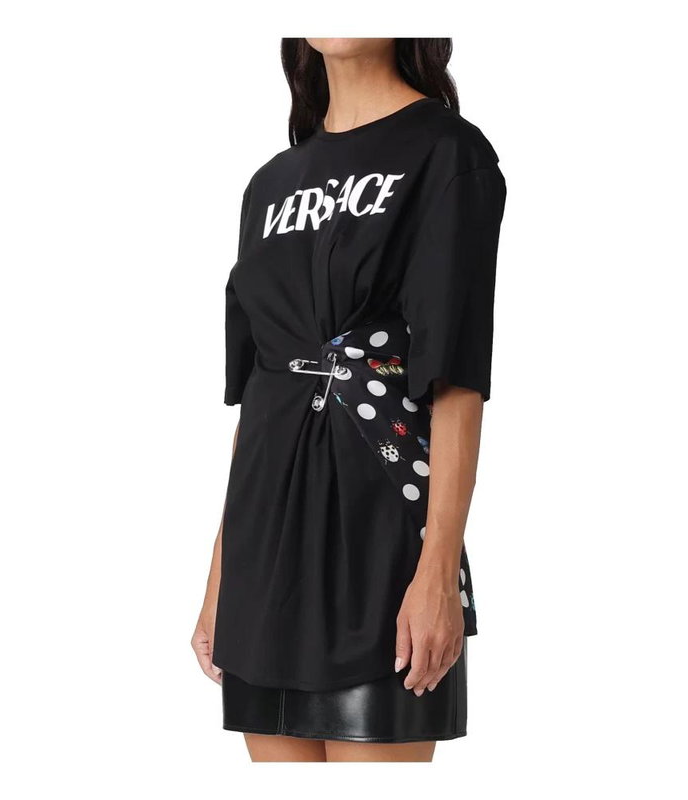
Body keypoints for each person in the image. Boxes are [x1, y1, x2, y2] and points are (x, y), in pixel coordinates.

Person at [191, 37, 507, 763]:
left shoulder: (447, 152)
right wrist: (219, 575)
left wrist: (437, 572)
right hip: (264, 545)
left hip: (378, 535)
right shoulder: (269, 184)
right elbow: (260, 390)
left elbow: (456, 377)